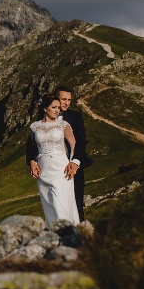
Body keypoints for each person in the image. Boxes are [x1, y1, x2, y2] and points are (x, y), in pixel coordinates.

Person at [26, 85, 90, 221]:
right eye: (63, 99)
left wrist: (75, 162)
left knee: (76, 205)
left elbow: (81, 141)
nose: (66, 103)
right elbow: (31, 146)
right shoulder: (38, 122)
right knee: (51, 204)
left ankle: (78, 237)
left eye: (69, 100)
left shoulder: (74, 117)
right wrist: (32, 162)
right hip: (46, 169)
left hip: (70, 168)